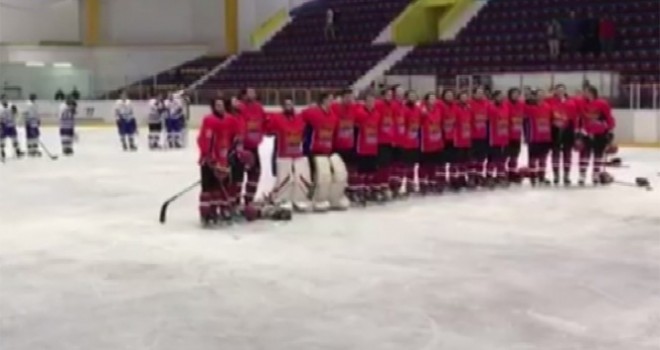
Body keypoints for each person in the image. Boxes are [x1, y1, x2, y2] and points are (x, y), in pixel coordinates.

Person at [196, 98, 243, 226]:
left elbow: (237, 137)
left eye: (221, 104)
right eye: (217, 105)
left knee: (221, 189)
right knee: (208, 189)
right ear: (213, 107)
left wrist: (233, 154)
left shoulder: (230, 120)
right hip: (209, 161)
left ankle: (221, 211)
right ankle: (207, 213)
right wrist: (209, 158)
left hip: (224, 161)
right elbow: (204, 140)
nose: (219, 107)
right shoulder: (209, 120)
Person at [264, 98, 311, 213]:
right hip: (283, 154)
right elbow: (268, 130)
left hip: (297, 154)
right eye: (286, 104)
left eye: (290, 104)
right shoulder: (277, 119)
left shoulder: (300, 118)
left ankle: (299, 199)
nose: (288, 106)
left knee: (300, 177)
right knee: (285, 178)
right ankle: (282, 199)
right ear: (283, 106)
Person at [302, 92, 347, 211]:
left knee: (326, 175)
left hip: (327, 151)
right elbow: (300, 119)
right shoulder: (313, 112)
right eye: (329, 99)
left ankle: (325, 197)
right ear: (323, 100)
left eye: (332, 100)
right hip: (314, 150)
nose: (331, 102)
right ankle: (311, 198)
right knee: (315, 175)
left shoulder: (333, 116)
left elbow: (334, 133)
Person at [576, 86, 616, 185]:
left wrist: (609, 129)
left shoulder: (602, 103)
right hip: (586, 133)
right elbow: (579, 117)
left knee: (598, 155)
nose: (584, 94)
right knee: (584, 155)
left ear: (592, 93)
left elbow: (608, 117)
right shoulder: (581, 103)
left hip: (600, 133)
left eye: (586, 92)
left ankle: (595, 174)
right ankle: (582, 175)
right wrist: (578, 131)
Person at [235, 87, 266, 206]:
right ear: (244, 95)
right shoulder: (239, 107)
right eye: (250, 92)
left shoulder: (258, 107)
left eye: (254, 92)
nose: (253, 94)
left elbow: (263, 122)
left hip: (254, 147)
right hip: (240, 147)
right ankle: (235, 201)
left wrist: (261, 136)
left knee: (255, 173)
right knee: (238, 175)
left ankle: (249, 199)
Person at [330, 90, 359, 202]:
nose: (349, 99)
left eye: (350, 97)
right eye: (346, 97)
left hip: (350, 144)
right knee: (338, 170)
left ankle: (351, 189)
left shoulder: (355, 107)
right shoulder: (334, 107)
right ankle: (337, 190)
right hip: (337, 145)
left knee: (351, 169)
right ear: (341, 97)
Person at [353, 92, 381, 203]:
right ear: (364, 102)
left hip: (373, 147)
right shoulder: (359, 113)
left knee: (371, 171)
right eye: (369, 101)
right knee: (362, 171)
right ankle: (360, 191)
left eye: (373, 101)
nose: (371, 103)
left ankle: (368, 190)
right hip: (362, 147)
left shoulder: (377, 114)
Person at [547, 84, 578, 185]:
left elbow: (574, 117)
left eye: (562, 90)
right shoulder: (550, 101)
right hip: (554, 130)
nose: (560, 92)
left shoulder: (571, 102)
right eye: (558, 90)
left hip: (568, 130)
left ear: (565, 91)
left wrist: (575, 130)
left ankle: (566, 175)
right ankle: (556, 175)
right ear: (555, 91)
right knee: (555, 153)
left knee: (567, 153)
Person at [523, 89, 553, 186]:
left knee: (543, 158)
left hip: (545, 137)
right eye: (538, 95)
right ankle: (533, 177)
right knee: (532, 158)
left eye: (542, 94)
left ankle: (542, 177)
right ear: (535, 97)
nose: (540, 96)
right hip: (533, 137)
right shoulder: (530, 107)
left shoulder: (548, 107)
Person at [418, 93, 444, 194]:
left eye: (434, 98)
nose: (433, 100)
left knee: (434, 164)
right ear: (426, 100)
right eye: (431, 98)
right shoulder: (422, 109)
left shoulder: (438, 110)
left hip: (436, 141)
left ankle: (433, 181)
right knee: (425, 164)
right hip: (425, 141)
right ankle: (423, 183)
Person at [375, 88, 397, 200]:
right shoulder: (378, 105)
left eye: (391, 94)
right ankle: (378, 186)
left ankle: (385, 185)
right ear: (382, 95)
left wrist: (393, 138)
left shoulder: (393, 106)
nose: (390, 96)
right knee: (380, 165)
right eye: (388, 94)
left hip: (389, 140)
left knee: (387, 165)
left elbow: (393, 124)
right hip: (379, 140)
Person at [400, 90, 422, 195]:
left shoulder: (418, 109)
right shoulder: (403, 109)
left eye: (414, 96)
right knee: (405, 164)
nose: (412, 98)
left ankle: (410, 183)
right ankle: (401, 184)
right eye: (410, 96)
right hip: (405, 141)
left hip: (415, 140)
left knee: (413, 165)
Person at [486, 91, 510, 187]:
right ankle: (489, 176)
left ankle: (500, 176)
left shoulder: (505, 106)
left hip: (503, 137)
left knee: (502, 158)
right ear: (494, 97)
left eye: (502, 96)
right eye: (498, 96)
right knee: (493, 158)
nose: (500, 98)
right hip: (493, 137)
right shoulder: (490, 107)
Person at [468, 86, 491, 187]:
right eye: (478, 92)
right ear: (473, 94)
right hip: (472, 136)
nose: (480, 94)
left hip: (484, 135)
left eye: (482, 93)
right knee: (472, 158)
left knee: (481, 158)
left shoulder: (487, 104)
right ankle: (471, 176)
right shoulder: (469, 104)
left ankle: (479, 176)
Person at [439, 89, 458, 191]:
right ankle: (441, 180)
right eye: (447, 94)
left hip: (454, 137)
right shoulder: (439, 105)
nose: (449, 96)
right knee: (442, 160)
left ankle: (453, 179)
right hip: (442, 137)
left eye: (451, 95)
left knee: (453, 160)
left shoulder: (455, 106)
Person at [453, 91, 473, 189]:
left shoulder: (469, 108)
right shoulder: (455, 108)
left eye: (466, 97)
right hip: (459, 139)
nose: (464, 99)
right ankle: (459, 178)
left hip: (467, 138)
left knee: (467, 160)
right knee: (459, 160)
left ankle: (466, 177)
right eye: (462, 97)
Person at [505, 88, 525, 183]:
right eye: (514, 94)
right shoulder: (505, 104)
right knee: (504, 156)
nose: (516, 95)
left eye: (517, 94)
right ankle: (503, 173)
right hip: (505, 135)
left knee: (515, 155)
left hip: (517, 135)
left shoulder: (521, 104)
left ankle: (512, 173)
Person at [0, 95, 23, 160]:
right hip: (4, 126)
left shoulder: (11, 106)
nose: (4, 100)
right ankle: (2, 151)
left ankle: (17, 151)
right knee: (2, 140)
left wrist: (15, 112)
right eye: (3, 99)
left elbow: (17, 113)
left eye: (5, 98)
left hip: (11, 126)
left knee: (14, 138)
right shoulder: (0, 108)